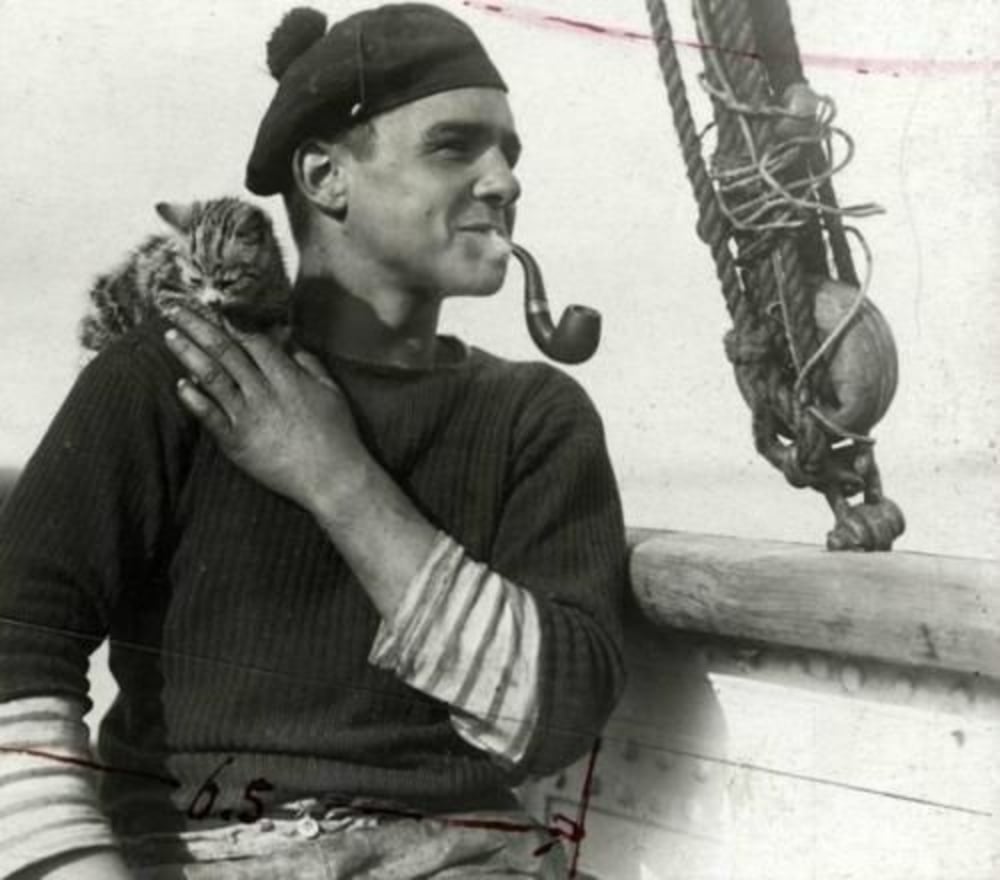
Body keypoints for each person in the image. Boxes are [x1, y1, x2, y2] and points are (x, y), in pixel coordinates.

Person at [0, 4, 627, 877]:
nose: (504, 181)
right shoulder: (171, 371)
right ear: (325, 177)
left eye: (509, 153)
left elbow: (558, 718)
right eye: (455, 146)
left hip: (465, 858)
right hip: (204, 851)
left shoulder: (536, 415)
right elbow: (16, 637)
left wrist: (336, 478)